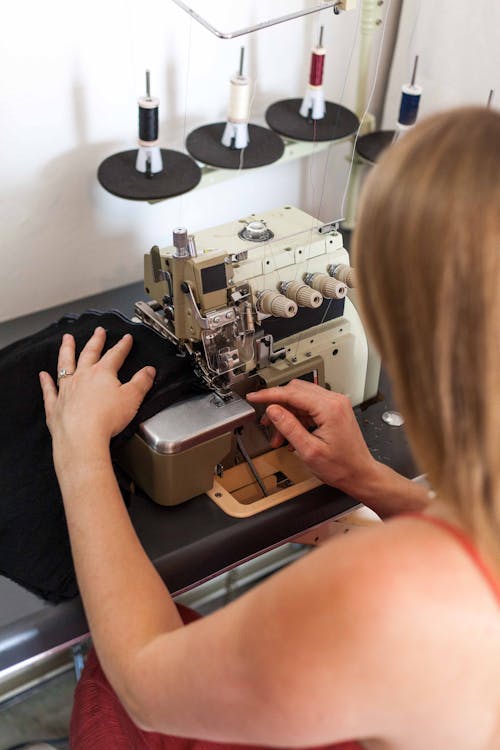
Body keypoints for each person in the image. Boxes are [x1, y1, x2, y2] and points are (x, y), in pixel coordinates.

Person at [39, 107, 499, 750]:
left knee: (114, 680)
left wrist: (80, 449)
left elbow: (147, 687)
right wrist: (376, 484)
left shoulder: (391, 595)